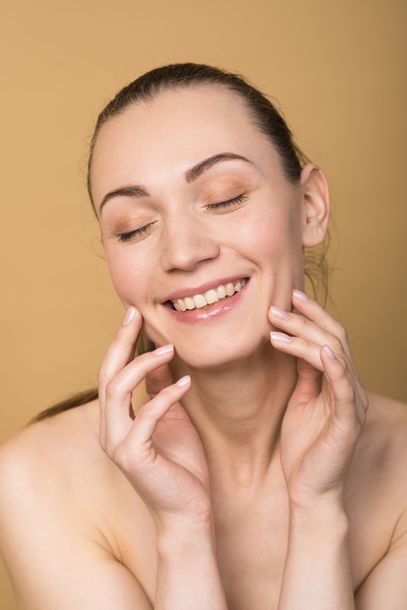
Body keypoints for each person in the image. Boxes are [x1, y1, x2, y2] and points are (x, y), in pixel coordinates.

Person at [0, 62, 406, 610]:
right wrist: (183, 533)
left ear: (309, 207)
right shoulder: (38, 482)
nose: (184, 252)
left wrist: (319, 512)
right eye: (134, 227)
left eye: (224, 197)